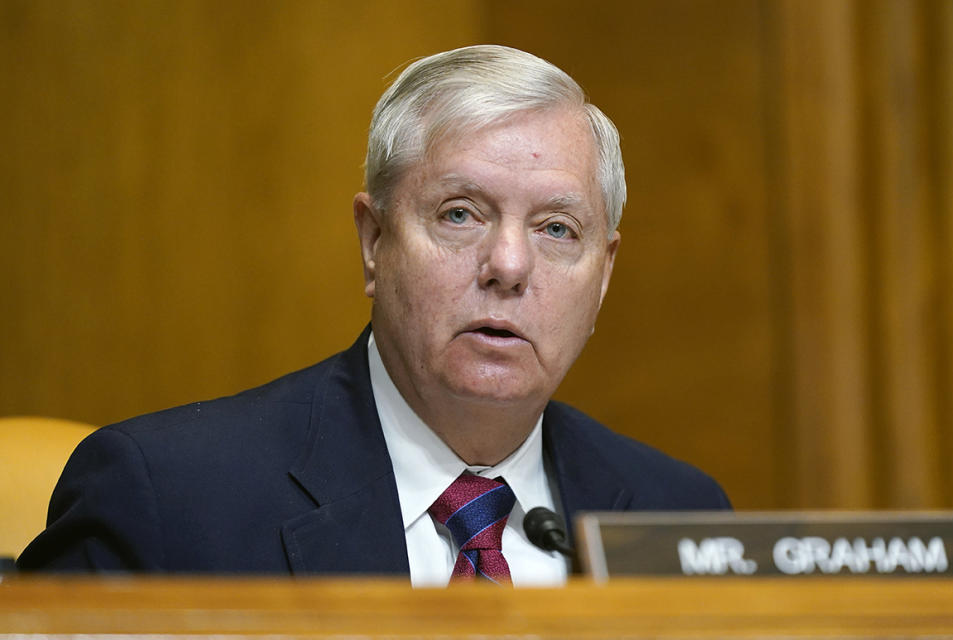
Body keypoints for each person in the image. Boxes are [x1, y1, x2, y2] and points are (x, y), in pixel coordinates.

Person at [17, 45, 729, 585]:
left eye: (556, 230)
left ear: (602, 275)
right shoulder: (168, 502)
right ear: (374, 240)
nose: (508, 266)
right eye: (459, 213)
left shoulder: (682, 520)